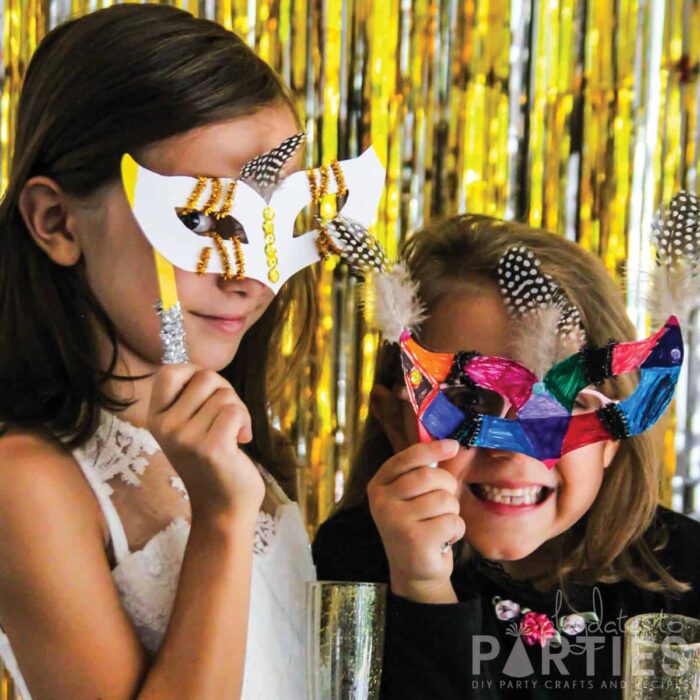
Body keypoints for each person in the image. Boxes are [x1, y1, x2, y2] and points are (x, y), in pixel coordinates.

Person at [0, 4, 325, 698]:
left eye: (274, 221)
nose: (248, 272)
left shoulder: (235, 441)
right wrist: (221, 520)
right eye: (203, 220)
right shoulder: (25, 483)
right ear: (57, 221)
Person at [313, 213, 700, 699]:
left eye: (564, 405)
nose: (516, 448)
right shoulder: (355, 564)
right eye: (470, 402)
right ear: (396, 421)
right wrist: (423, 588)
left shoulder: (686, 572)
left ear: (614, 434)